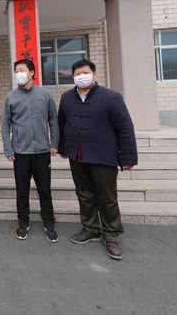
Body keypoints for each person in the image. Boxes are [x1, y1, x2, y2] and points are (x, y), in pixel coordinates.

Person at [58, 59, 137, 260]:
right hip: (77, 155)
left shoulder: (111, 97)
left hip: (104, 156)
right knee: (84, 194)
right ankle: (90, 228)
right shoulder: (66, 98)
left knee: (107, 198)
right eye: (77, 74)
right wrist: (62, 148)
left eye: (85, 72)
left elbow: (125, 128)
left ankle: (111, 235)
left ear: (94, 74)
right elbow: (62, 123)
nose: (81, 76)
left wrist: (128, 157)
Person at [2, 59, 59, 242]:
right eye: (16, 70)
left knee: (45, 191)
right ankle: (23, 222)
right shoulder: (11, 97)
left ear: (32, 72)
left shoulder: (45, 94)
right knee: (22, 191)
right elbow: (5, 126)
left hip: (42, 152)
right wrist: (8, 148)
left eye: (22, 70)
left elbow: (53, 121)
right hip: (20, 153)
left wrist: (54, 143)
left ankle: (49, 223)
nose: (19, 73)